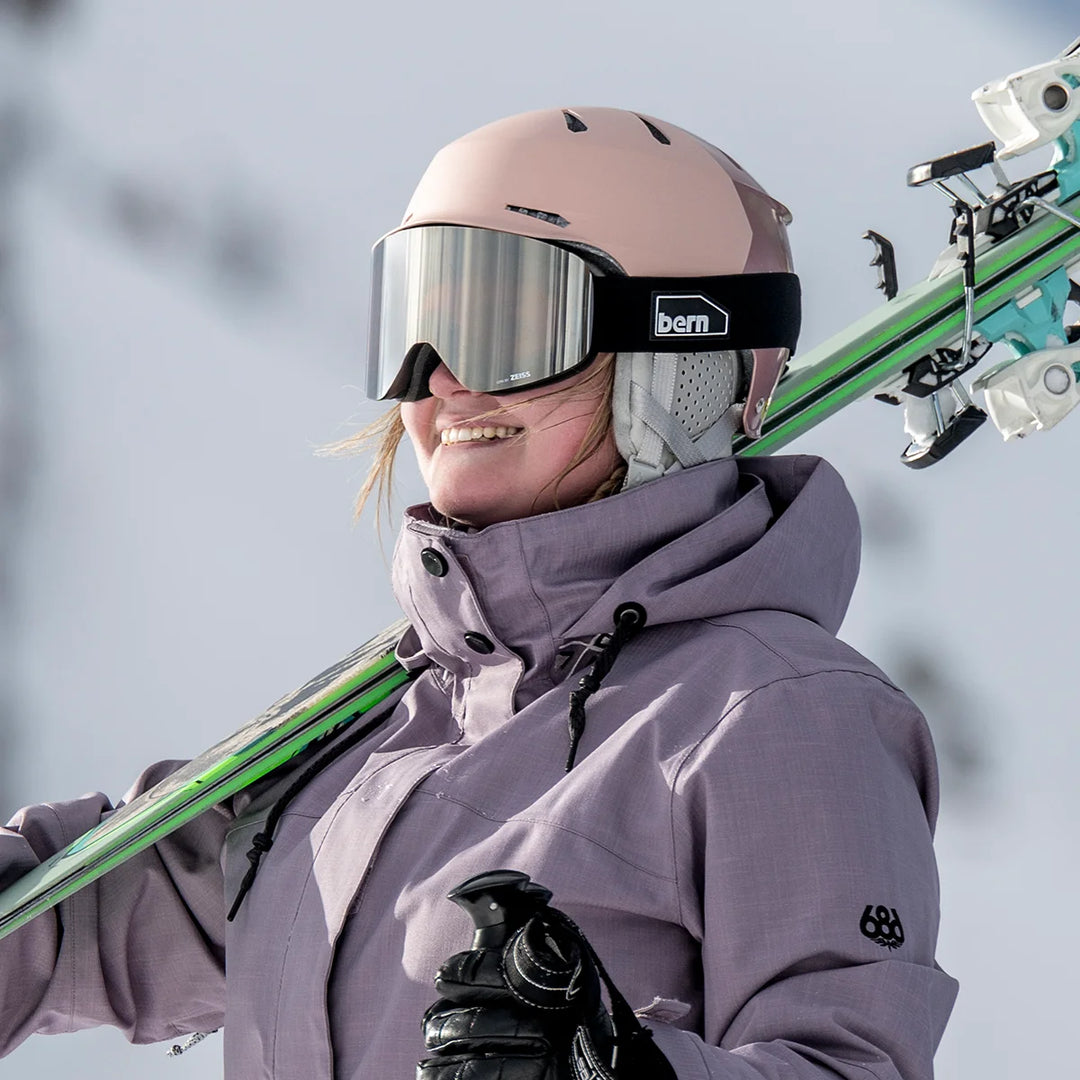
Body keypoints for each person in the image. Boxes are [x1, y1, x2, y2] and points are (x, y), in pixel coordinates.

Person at [0, 106, 958, 1079]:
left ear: (676, 362)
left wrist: (613, 1070)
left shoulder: (776, 714)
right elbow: (70, 930)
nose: (441, 380)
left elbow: (851, 1065)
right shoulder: (369, 734)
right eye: (416, 328)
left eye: (507, 327)